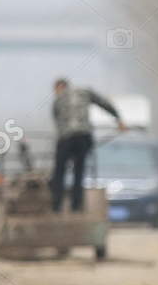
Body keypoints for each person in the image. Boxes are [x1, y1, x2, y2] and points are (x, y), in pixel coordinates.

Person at [50, 78, 124, 213]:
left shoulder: (58, 98)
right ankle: (76, 206)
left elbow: (56, 120)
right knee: (79, 171)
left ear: (59, 87)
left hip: (66, 138)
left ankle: (56, 206)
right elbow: (104, 103)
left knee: (59, 172)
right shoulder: (85, 92)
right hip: (83, 137)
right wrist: (118, 119)